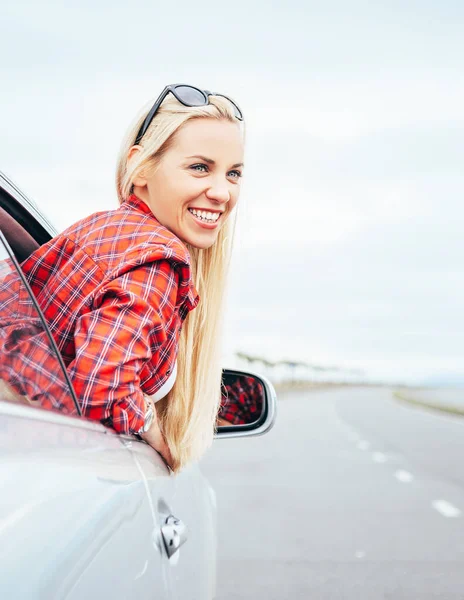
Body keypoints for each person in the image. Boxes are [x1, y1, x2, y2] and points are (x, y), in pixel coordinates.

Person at [0, 84, 245, 472]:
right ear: (141, 168)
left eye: (233, 173)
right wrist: (155, 432)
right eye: (200, 167)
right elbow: (103, 389)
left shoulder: (99, 230)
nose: (221, 192)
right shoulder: (158, 261)